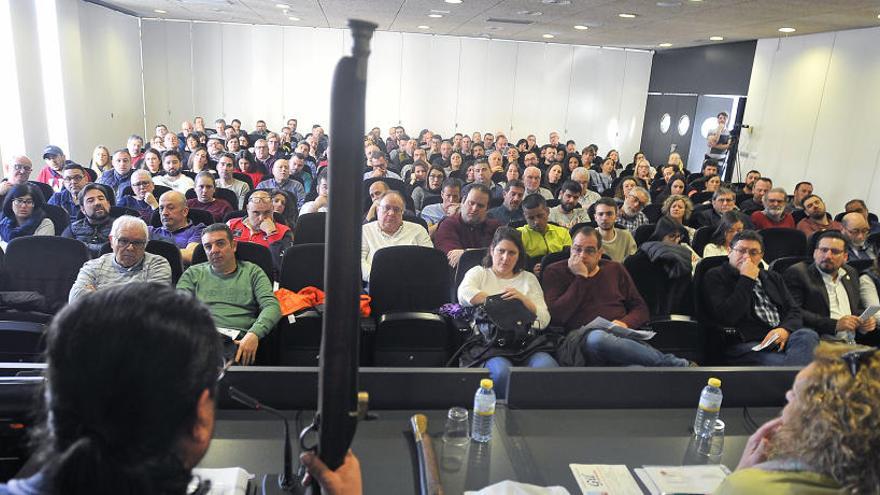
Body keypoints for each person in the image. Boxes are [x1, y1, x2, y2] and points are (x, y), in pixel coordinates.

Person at [716, 343, 880, 495]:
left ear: (819, 420)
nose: (787, 396)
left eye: (794, 395)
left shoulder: (748, 487)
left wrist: (739, 476)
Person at [542, 226, 691, 367]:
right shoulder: (555, 271)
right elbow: (557, 316)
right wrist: (581, 278)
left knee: (637, 372)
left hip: (619, 339)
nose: (582, 256)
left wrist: (624, 323)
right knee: (597, 338)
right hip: (579, 342)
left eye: (590, 251)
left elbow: (640, 308)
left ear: (600, 253)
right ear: (570, 248)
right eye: (577, 249)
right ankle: (675, 364)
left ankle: (673, 369)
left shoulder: (614, 269)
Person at [457, 227, 556, 396]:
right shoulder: (479, 273)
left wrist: (523, 300)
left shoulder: (528, 278)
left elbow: (544, 319)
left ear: (519, 256)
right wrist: (502, 303)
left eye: (512, 253)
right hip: (489, 343)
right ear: (491, 250)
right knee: (502, 373)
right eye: (501, 251)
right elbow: (464, 294)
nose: (505, 258)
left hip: (525, 341)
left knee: (548, 369)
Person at [704, 230, 819, 365]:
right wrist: (746, 279)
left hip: (780, 338)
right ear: (729, 251)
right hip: (746, 343)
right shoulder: (715, 276)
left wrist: (785, 329)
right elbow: (728, 316)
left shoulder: (772, 277)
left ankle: (798, 378)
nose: (747, 257)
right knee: (786, 363)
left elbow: (794, 310)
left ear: (761, 256)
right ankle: (801, 380)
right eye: (741, 251)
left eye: (753, 253)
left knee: (807, 335)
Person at [178, 223, 281, 365]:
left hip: (237, 340)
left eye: (220, 244)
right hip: (201, 336)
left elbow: (271, 306)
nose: (214, 250)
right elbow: (178, 309)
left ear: (233, 246)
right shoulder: (193, 273)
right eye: (208, 246)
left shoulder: (252, 271)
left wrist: (254, 334)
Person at [783, 230, 877, 344]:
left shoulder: (851, 273)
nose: (828, 256)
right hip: (819, 342)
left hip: (851, 342)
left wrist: (864, 321)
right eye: (823, 250)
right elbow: (794, 311)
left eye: (835, 252)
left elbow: (856, 308)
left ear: (845, 257)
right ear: (815, 253)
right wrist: (835, 325)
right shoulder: (798, 273)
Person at [69, 216, 171, 301]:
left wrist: (96, 296)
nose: (130, 248)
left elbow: (155, 304)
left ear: (146, 244)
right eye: (123, 241)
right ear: (111, 240)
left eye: (138, 243)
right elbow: (75, 300)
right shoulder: (93, 266)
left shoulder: (158, 264)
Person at [361, 191, 433, 282]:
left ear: (402, 212)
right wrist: (379, 277)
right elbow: (359, 261)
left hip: (413, 285)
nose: (391, 213)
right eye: (386, 208)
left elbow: (429, 260)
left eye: (396, 209)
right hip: (376, 284)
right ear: (378, 210)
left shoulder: (419, 230)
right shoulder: (365, 231)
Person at [433, 184, 503, 269]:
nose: (474, 209)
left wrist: (466, 252)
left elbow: (504, 255)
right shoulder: (447, 224)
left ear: (487, 208)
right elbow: (454, 259)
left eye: (480, 206)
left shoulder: (496, 227)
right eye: (471, 203)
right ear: (462, 202)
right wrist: (488, 253)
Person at [226, 189, 293, 267]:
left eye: (267, 212)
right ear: (247, 209)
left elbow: (282, 266)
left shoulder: (284, 232)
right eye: (256, 213)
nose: (261, 218)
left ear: (272, 209)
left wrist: (272, 235)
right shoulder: (231, 225)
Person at [517, 194, 572, 271]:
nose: (536, 222)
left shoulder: (563, 232)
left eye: (540, 216)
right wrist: (530, 270)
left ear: (548, 211)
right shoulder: (518, 235)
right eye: (531, 218)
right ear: (524, 216)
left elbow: (570, 258)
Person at [149, 191, 205, 265]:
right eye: (161, 208)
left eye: (170, 208)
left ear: (185, 211)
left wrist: (149, 253)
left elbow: (190, 256)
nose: (164, 213)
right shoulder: (149, 231)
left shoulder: (198, 230)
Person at [62, 184, 117, 258]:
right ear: (82, 209)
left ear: (108, 204)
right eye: (90, 200)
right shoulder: (73, 229)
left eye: (101, 199)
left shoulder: (120, 227)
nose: (97, 203)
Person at [0, 183, 54, 250]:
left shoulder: (45, 224)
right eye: (19, 201)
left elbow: (39, 252)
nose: (23, 206)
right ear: (10, 203)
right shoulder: (3, 224)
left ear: (35, 205)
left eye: (29, 202)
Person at [592, 198, 637, 262]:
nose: (604, 218)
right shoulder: (588, 237)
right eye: (600, 214)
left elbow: (632, 263)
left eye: (609, 214)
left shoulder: (626, 236)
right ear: (595, 217)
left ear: (616, 216)